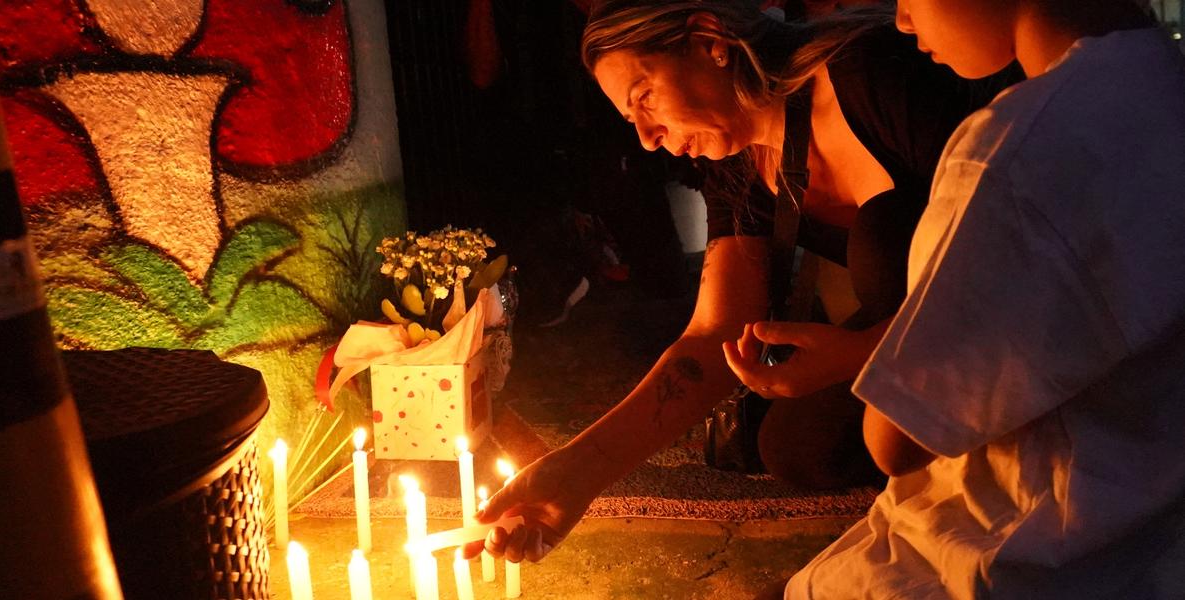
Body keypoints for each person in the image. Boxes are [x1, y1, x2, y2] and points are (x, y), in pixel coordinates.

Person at [466, 0, 1013, 564]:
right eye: (632, 122)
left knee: (883, 240)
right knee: (793, 446)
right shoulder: (739, 163)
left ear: (710, 40)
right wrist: (575, 472)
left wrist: (856, 354)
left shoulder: (871, 75)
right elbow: (713, 335)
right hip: (907, 326)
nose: (649, 139)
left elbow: (1017, 261)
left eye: (645, 97)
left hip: (1006, 313)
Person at [726, 0, 1185, 597]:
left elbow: (892, 442)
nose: (903, 21)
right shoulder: (1160, 81)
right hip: (1148, 533)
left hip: (1017, 558)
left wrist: (879, 360)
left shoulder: (1007, 151)